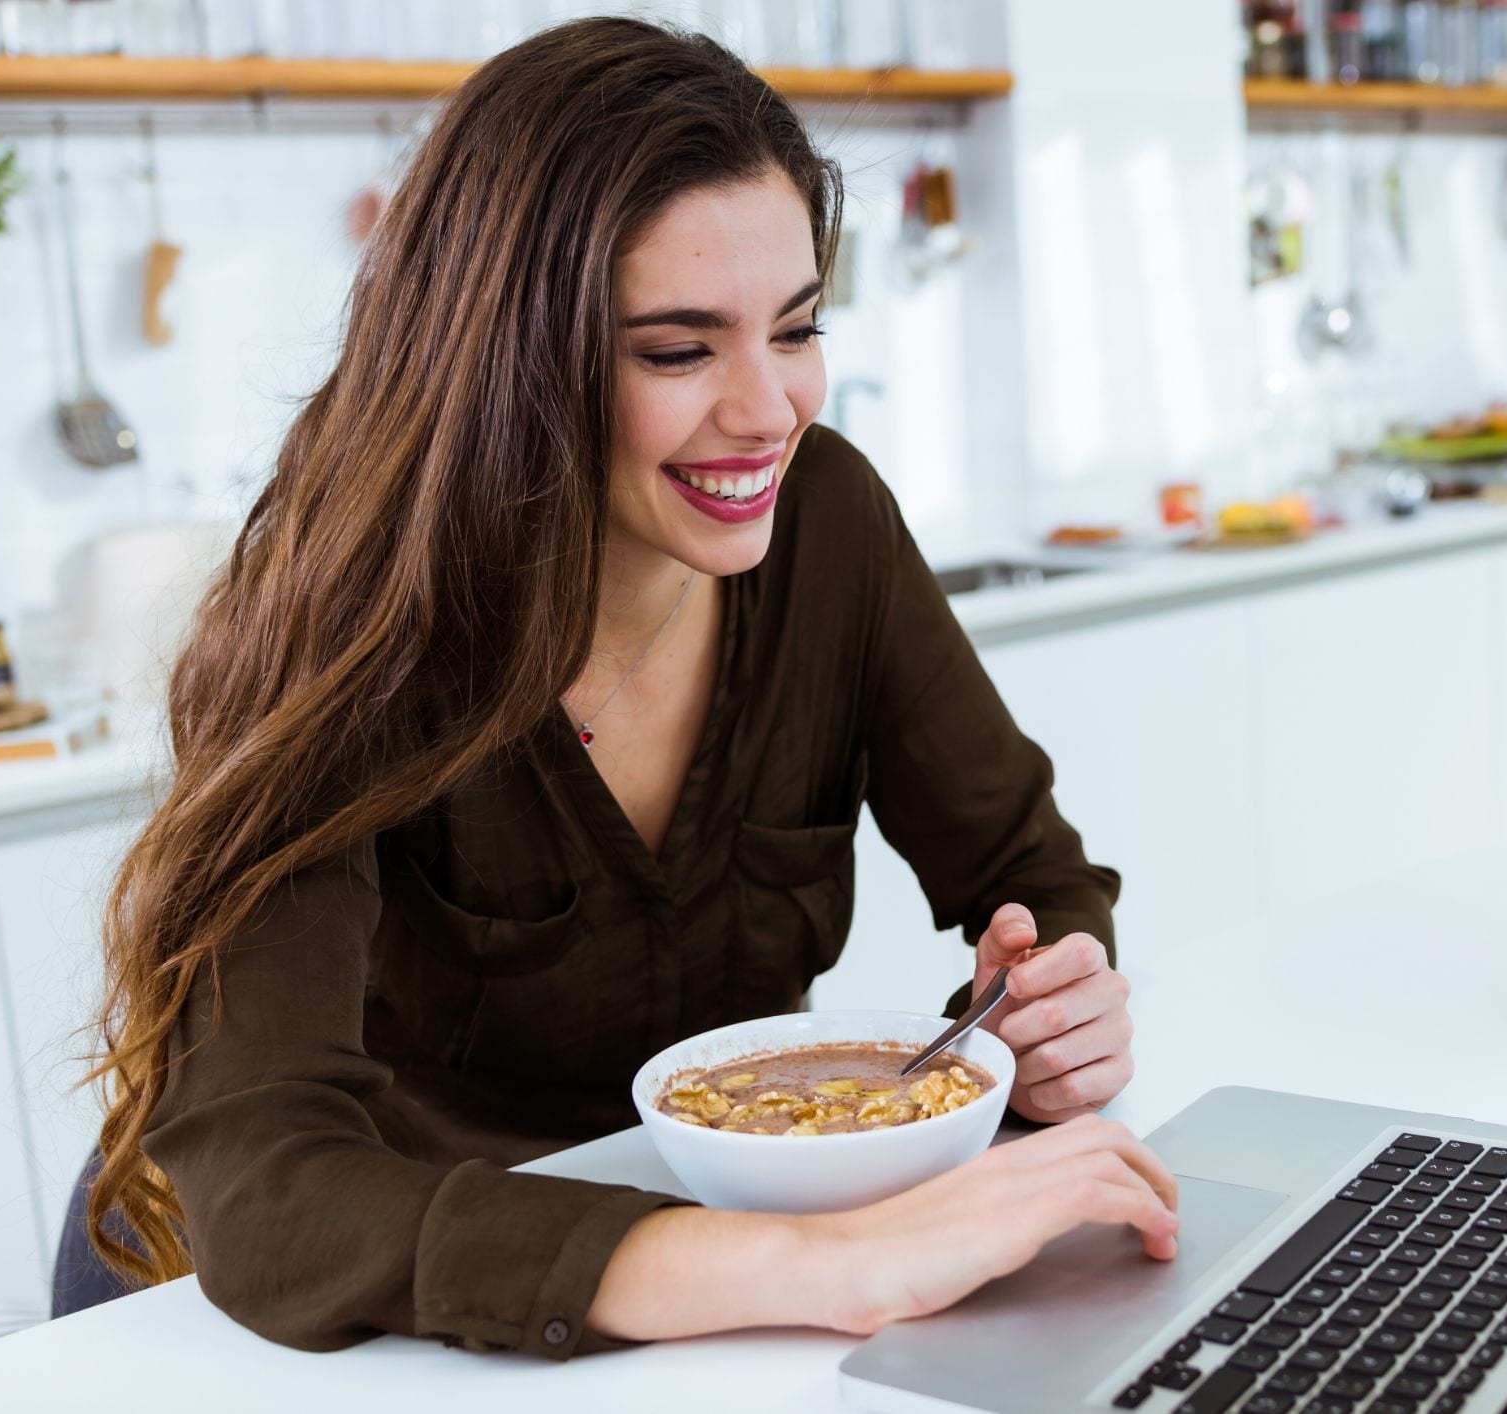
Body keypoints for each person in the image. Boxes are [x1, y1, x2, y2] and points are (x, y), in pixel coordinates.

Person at [71, 16, 1178, 1358]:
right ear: (510, 367)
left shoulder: (828, 522)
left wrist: (1036, 1027)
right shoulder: (342, 623)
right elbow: (276, 1199)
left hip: (712, 1285)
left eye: (798, 327)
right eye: (678, 350)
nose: (771, 409)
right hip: (352, 1313)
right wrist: (815, 1260)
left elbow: (1035, 878)